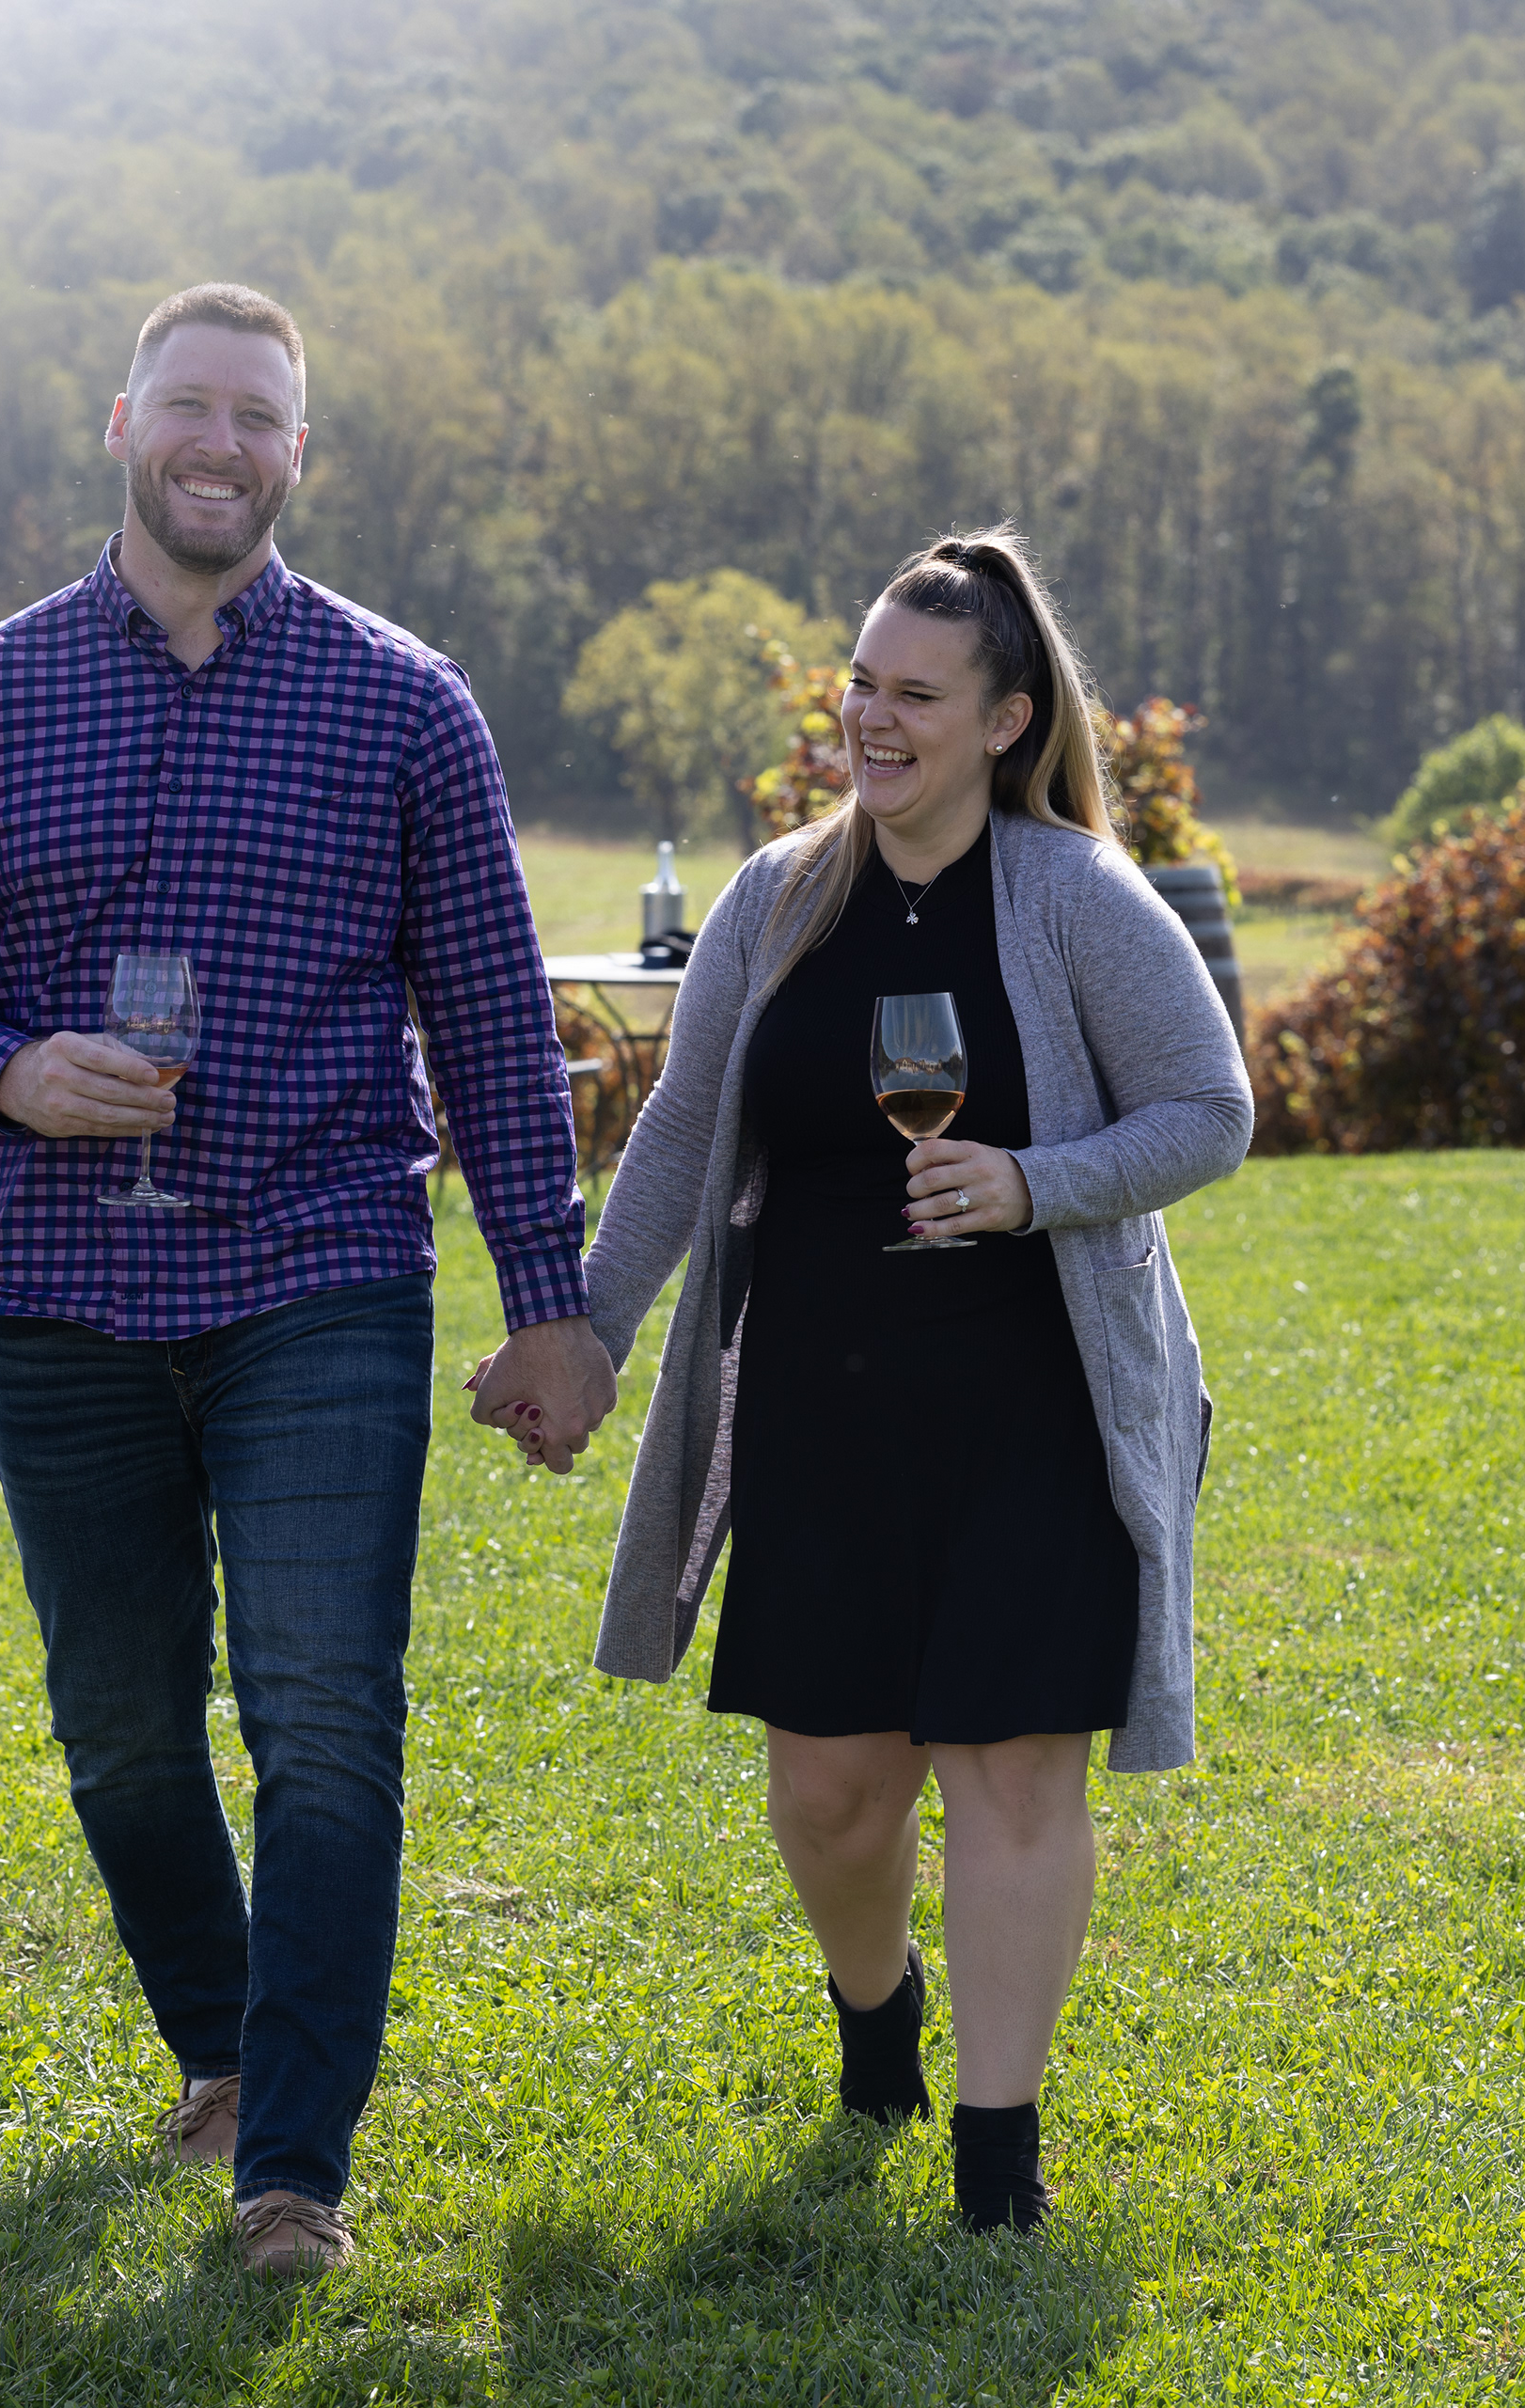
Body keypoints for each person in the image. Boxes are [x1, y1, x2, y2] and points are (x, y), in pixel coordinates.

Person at [0, 281, 617, 2277]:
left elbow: (493, 1020)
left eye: (258, 416)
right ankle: (220, 2039)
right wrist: (7, 1065)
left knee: (325, 1715)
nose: (221, 442)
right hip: (61, 1278)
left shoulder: (405, 704)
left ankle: (293, 2170)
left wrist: (549, 1297)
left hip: (320, 1267)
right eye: (190, 404)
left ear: (298, 454)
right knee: (117, 1723)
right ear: (123, 425)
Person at [506, 527, 1249, 2232]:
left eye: (916, 692)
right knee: (831, 1793)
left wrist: (1034, 1182)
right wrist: (588, 1329)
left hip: (1039, 1403)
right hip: (823, 1405)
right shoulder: (779, 895)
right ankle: (876, 2006)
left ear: (1005, 718)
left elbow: (1211, 1111)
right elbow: (679, 1134)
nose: (873, 717)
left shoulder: (1077, 893)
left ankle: (999, 2159)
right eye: (861, 684)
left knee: (1012, 1770)